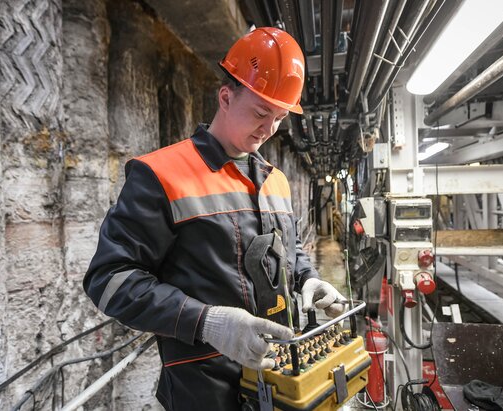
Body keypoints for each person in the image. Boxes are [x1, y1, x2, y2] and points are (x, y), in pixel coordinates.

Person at [84, 27, 345, 410]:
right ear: (226, 97)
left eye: (279, 118)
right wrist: (206, 322)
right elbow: (109, 279)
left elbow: (286, 253)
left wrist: (308, 278)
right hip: (203, 389)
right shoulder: (160, 175)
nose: (269, 129)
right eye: (260, 112)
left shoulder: (276, 180)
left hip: (278, 379)